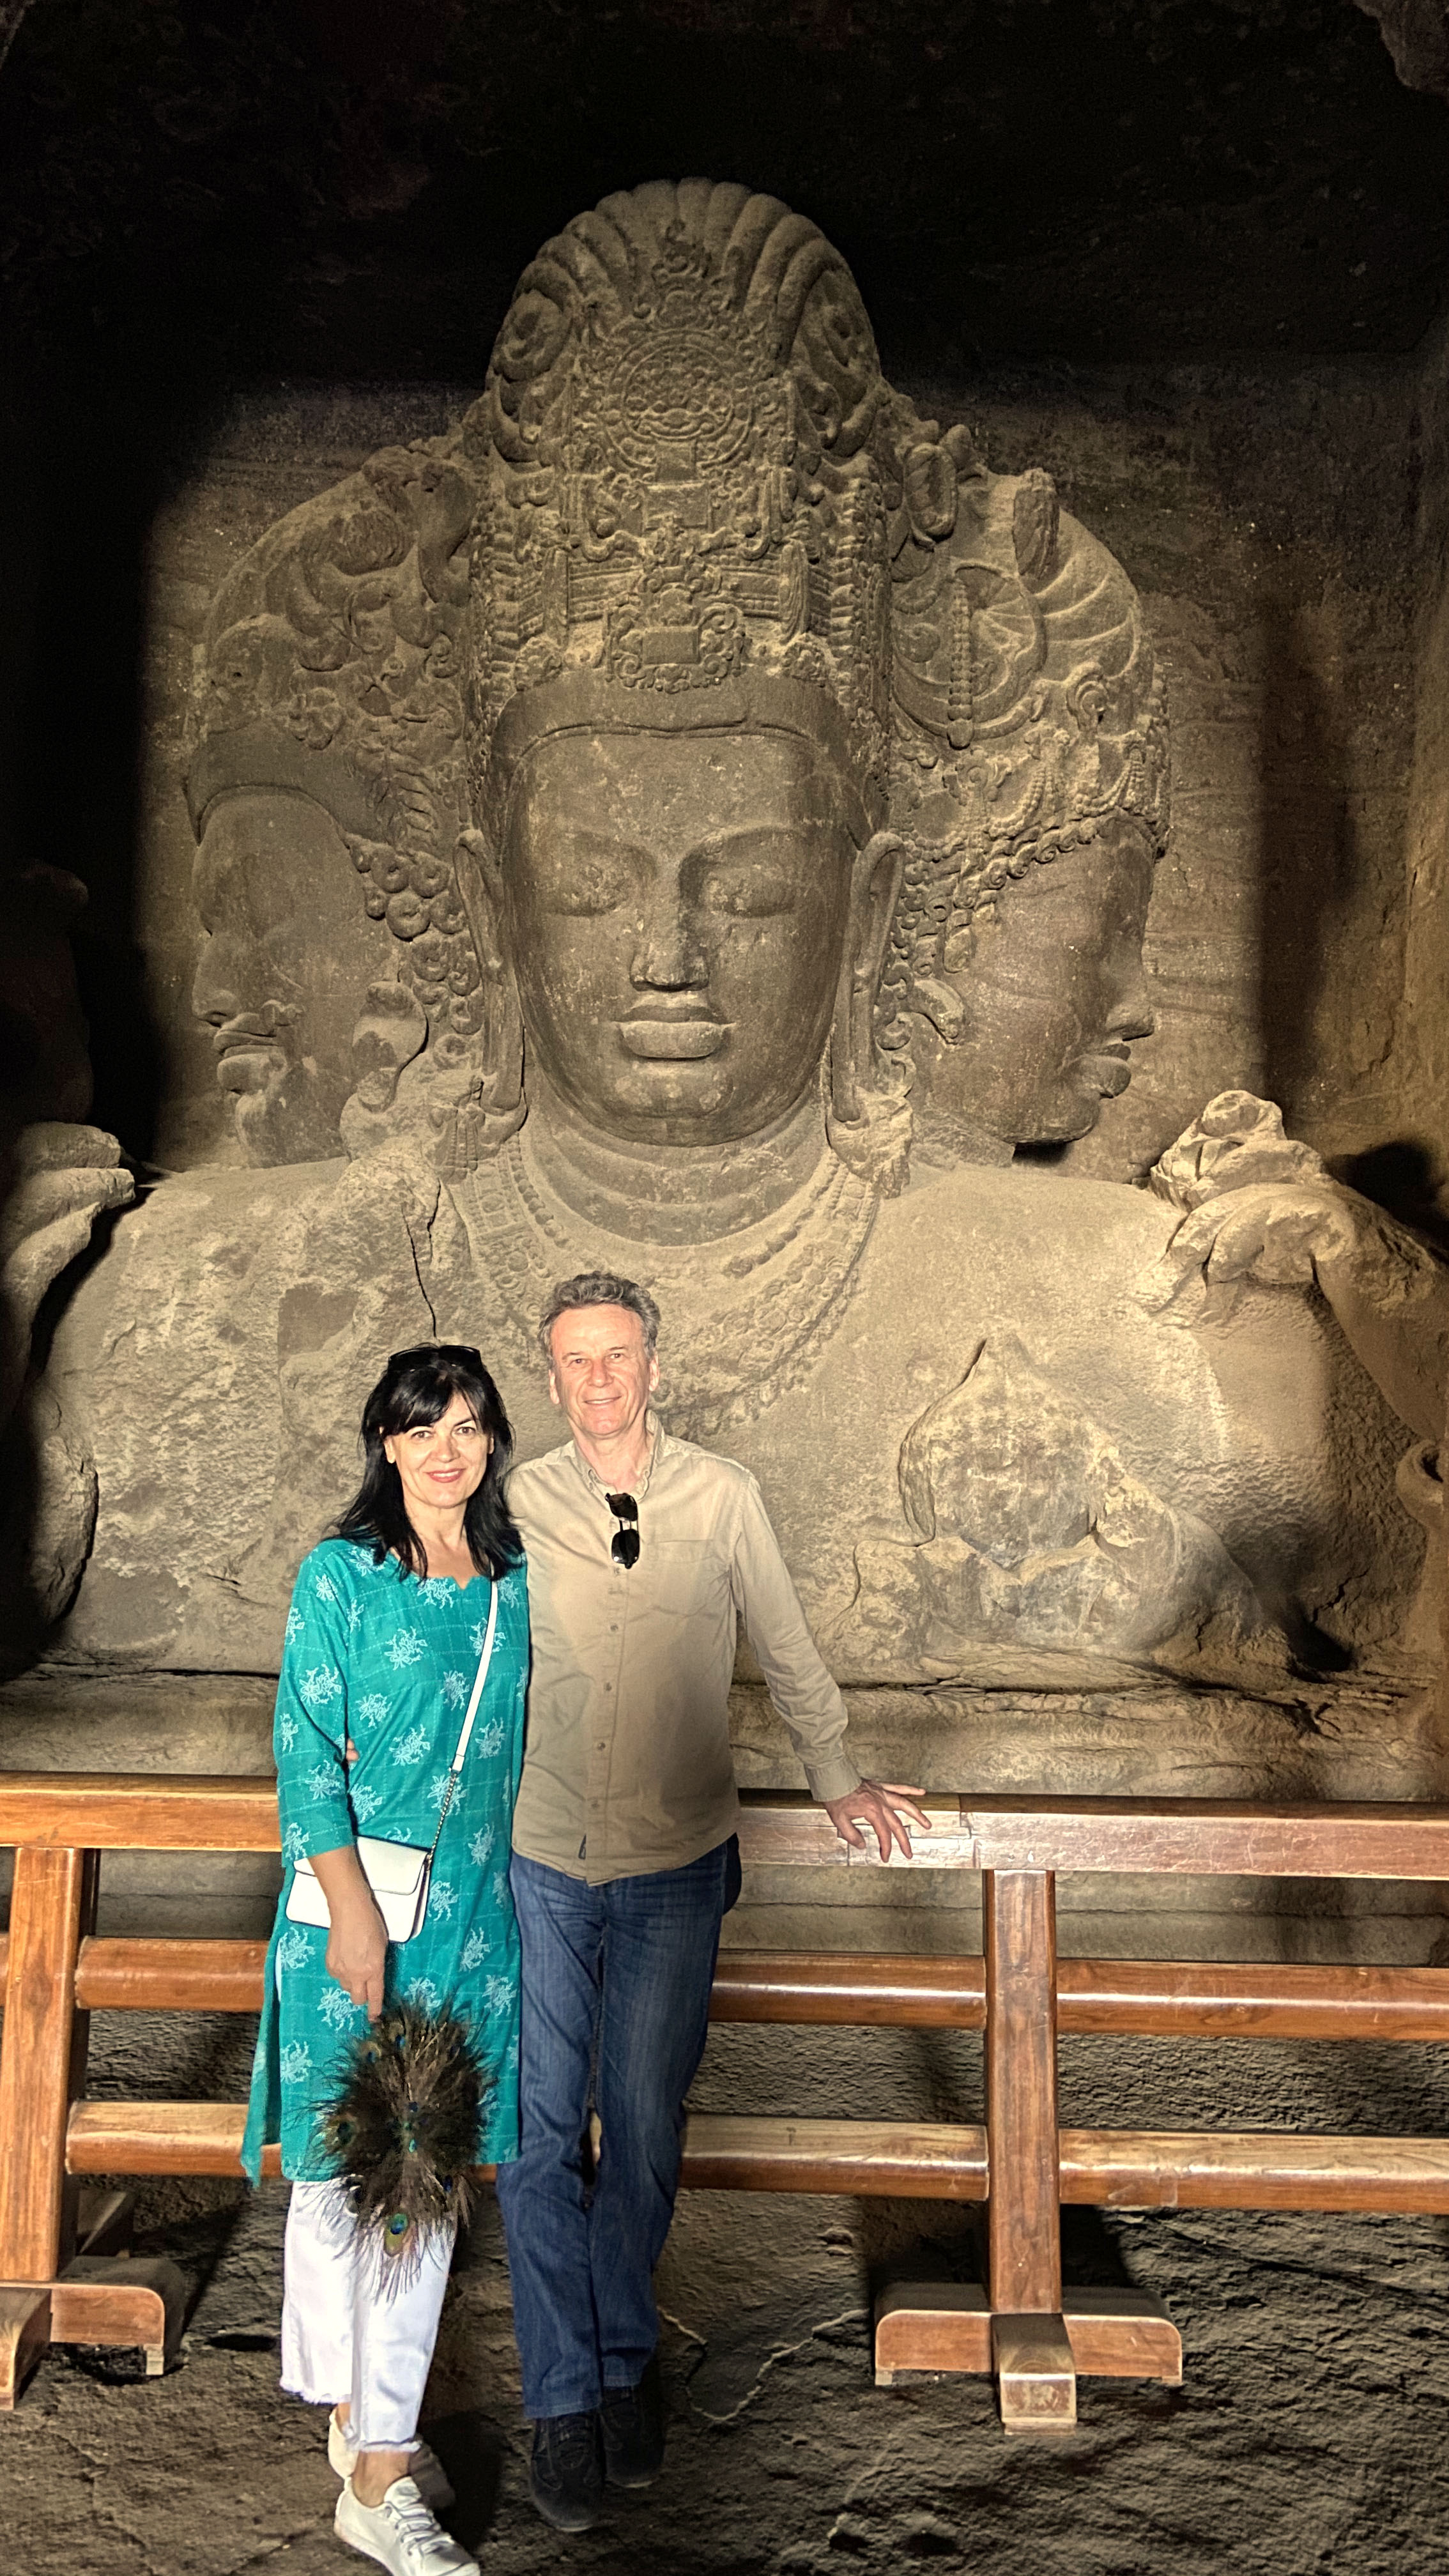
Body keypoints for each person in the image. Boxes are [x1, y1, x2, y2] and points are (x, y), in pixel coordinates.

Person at [494, 1269, 928, 2533]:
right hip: (541, 1855)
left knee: (640, 2125)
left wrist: (835, 1774)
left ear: (654, 1366)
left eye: (617, 1355)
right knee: (535, 2133)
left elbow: (785, 1644)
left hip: (675, 1863)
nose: (598, 1378)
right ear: (552, 1376)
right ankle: (562, 2400)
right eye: (576, 1359)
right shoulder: (516, 1503)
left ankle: (623, 2363)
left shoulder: (723, 1494)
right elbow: (462, 1647)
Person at [241, 1343, 530, 2576]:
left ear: (492, 1439)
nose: (445, 1449)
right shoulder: (342, 1576)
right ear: (386, 1444)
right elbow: (306, 1750)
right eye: (422, 1428)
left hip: (474, 1930)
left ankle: (376, 2456)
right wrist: (354, 1910)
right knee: (343, 2172)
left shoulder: (520, 1583)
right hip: (348, 1917)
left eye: (466, 1425)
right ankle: (372, 2437)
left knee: (423, 2178)